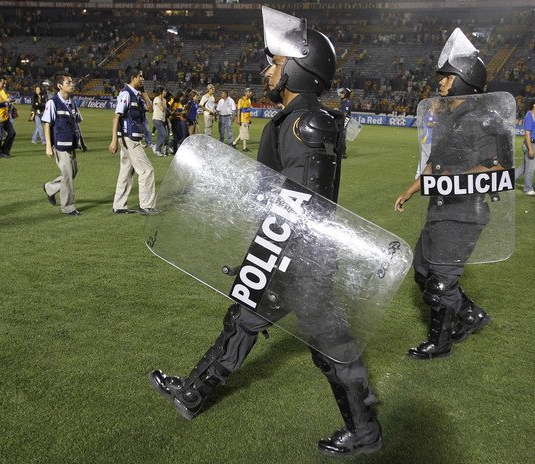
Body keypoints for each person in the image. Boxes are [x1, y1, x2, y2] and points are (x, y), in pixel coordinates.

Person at [149, 8, 383, 457]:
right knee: (242, 321)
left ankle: (365, 429)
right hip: (283, 252)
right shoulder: (295, 119)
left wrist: (268, 254)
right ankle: (193, 392)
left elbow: (303, 204)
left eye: (276, 62)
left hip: (301, 259)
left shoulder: (306, 123)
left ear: (298, 69)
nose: (267, 70)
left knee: (331, 347)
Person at [394, 29, 505, 361]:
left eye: (447, 77)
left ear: (464, 80)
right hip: (440, 209)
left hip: (464, 213)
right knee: (422, 270)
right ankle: (471, 315)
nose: (440, 83)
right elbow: (433, 166)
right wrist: (410, 190)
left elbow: (497, 172)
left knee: (440, 281)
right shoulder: (446, 119)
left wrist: (456, 175)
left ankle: (439, 343)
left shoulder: (483, 121)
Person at [108, 69, 158, 215]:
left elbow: (149, 108)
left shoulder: (137, 95)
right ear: (133, 77)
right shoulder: (126, 94)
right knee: (147, 171)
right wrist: (114, 141)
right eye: (140, 76)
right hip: (129, 138)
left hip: (131, 137)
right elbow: (116, 117)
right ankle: (146, 206)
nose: (143, 79)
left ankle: (119, 206)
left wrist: (144, 92)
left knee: (126, 172)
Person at [42, 74, 84, 216]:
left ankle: (50, 188)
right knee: (67, 175)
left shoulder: (72, 102)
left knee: (72, 173)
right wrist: (48, 146)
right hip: (60, 145)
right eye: (68, 82)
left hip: (71, 143)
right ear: (60, 86)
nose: (72, 84)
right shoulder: (52, 103)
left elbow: (77, 122)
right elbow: (47, 124)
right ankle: (68, 207)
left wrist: (81, 142)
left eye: (72, 81)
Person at [514, 94, 535, 195]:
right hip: (530, 144)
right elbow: (527, 133)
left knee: (523, 168)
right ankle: (528, 189)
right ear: (534, 105)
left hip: (534, 144)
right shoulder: (529, 116)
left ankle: (507, 180)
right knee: (530, 168)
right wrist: (530, 149)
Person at [152, 87, 170, 157]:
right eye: (164, 91)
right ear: (161, 92)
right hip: (157, 119)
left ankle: (158, 151)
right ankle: (156, 148)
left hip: (162, 119)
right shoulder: (157, 99)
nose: (165, 93)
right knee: (164, 135)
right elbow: (162, 108)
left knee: (160, 135)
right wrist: (165, 107)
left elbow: (165, 109)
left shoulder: (164, 100)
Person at [233, 87, 253, 152]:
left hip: (247, 119)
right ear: (245, 93)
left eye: (250, 92)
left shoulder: (249, 100)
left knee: (242, 133)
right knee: (245, 133)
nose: (250, 93)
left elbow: (248, 111)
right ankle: (244, 148)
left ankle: (234, 143)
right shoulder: (241, 100)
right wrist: (238, 120)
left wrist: (249, 119)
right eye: (249, 92)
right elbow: (239, 111)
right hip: (243, 119)